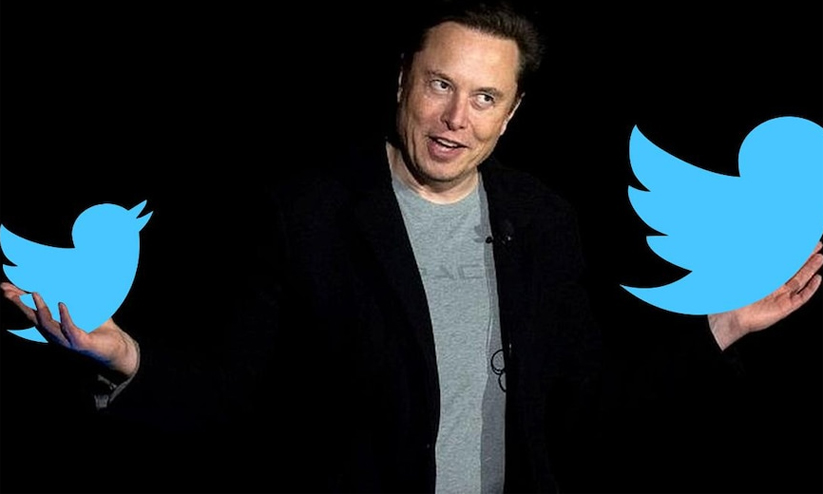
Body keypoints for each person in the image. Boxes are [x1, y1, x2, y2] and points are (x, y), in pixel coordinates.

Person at [2, 1, 821, 492]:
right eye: (440, 85)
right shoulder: (306, 214)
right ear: (403, 80)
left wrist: (722, 328)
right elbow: (233, 392)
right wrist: (127, 359)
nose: (456, 118)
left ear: (511, 113)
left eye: (485, 97)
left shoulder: (542, 219)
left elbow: (582, 401)